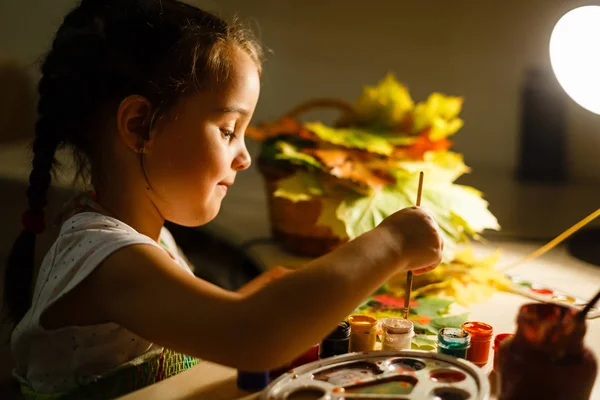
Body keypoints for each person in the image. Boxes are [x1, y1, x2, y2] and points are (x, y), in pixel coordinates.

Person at [3, 0, 443, 398]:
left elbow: (225, 321)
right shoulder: (106, 258)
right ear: (140, 126)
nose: (245, 158)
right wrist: (392, 242)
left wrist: (275, 296)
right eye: (228, 131)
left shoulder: (137, 236)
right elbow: (253, 335)